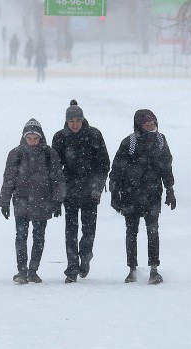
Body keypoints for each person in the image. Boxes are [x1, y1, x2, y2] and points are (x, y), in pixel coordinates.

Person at [108, 109, 176, 285]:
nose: (150, 124)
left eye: (152, 121)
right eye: (146, 122)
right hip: (130, 194)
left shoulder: (161, 141)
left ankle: (154, 269)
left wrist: (170, 189)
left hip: (153, 193)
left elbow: (166, 166)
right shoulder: (129, 142)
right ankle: (132, 269)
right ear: (138, 123)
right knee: (131, 232)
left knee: (153, 231)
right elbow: (117, 169)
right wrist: (114, 192)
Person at [0, 118, 66, 284]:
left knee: (39, 237)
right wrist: (4, 202)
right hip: (21, 201)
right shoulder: (16, 154)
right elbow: (8, 179)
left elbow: (57, 179)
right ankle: (22, 271)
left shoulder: (49, 154)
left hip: (42, 202)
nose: (32, 142)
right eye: (29, 138)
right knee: (21, 236)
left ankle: (33, 270)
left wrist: (58, 201)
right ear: (24, 137)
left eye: (35, 138)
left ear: (41, 137)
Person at [52, 100, 110, 283]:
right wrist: (58, 191)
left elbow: (104, 164)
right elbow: (55, 167)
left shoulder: (94, 135)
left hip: (90, 191)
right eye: (72, 121)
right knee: (70, 230)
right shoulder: (60, 137)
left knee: (88, 229)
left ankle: (85, 257)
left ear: (83, 119)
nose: (75, 124)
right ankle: (71, 268)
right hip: (69, 191)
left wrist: (97, 187)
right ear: (67, 122)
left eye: (78, 120)